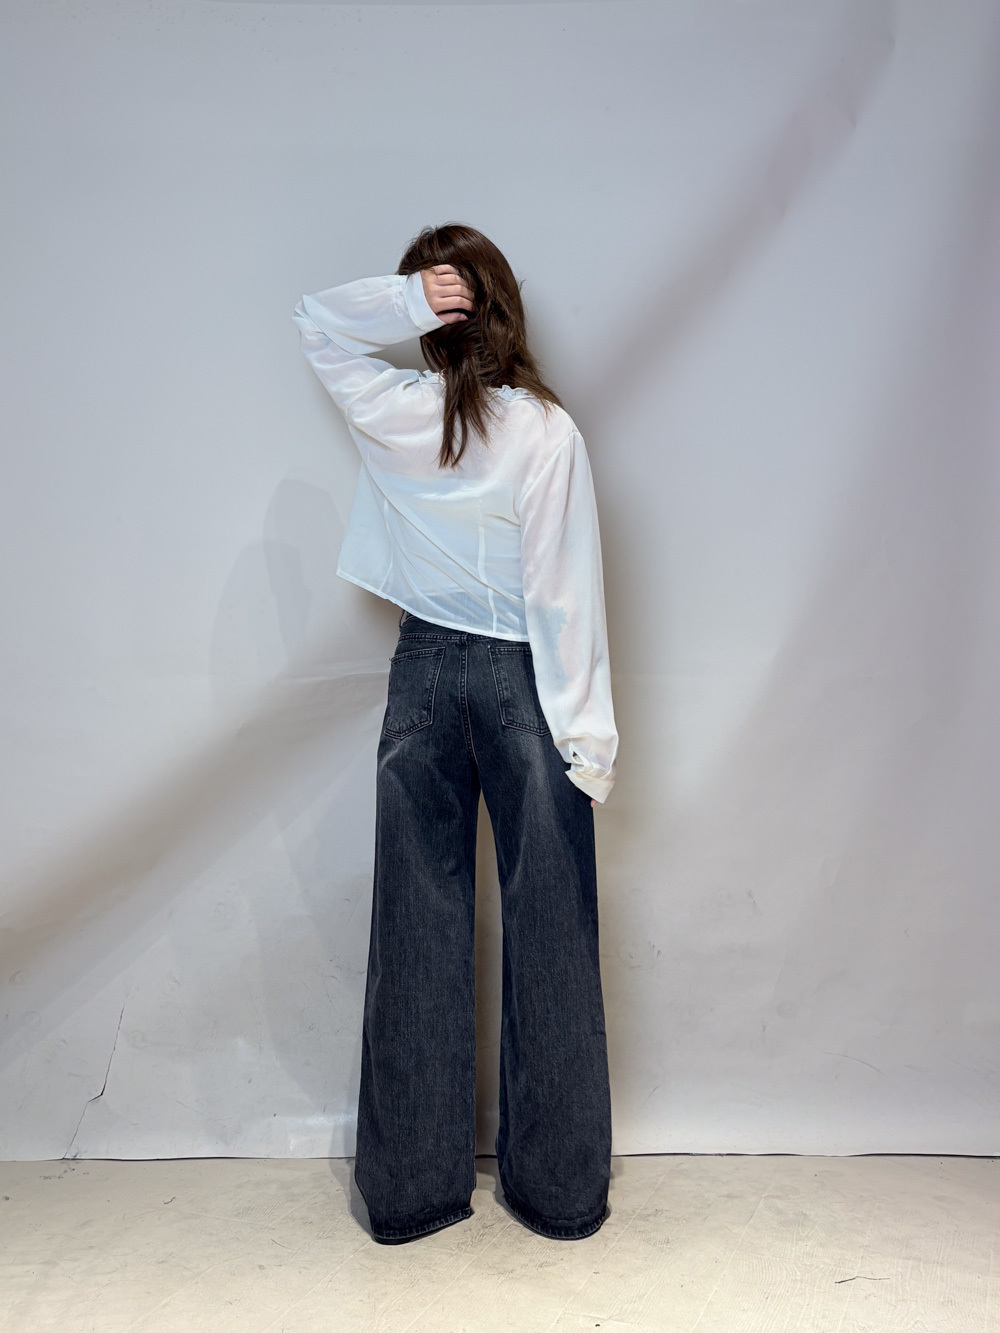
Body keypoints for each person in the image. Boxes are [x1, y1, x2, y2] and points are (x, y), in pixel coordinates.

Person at [292, 223, 618, 1245]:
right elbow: (566, 597)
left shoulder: (399, 411)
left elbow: (316, 324)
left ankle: (410, 1191)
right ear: (505, 307)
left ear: (437, 320)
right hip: (527, 677)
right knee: (552, 928)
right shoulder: (546, 431)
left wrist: (400, 301)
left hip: (423, 673)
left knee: (415, 926)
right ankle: (558, 1192)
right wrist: (590, 741)